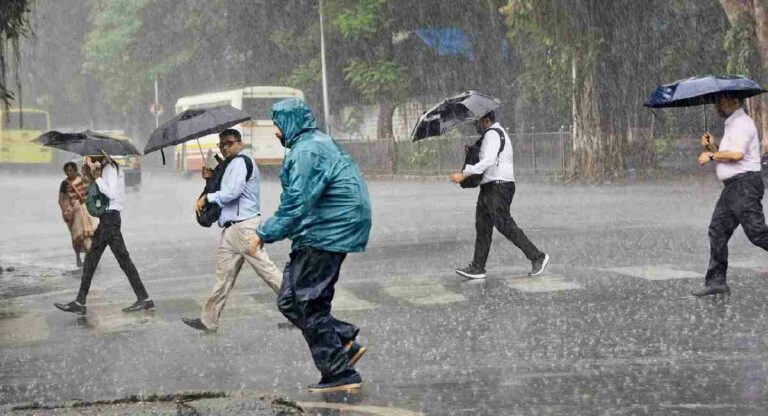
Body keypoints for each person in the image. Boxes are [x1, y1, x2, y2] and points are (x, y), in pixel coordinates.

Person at [250, 98, 371, 393]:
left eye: (278, 126)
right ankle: (343, 341)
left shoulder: (306, 151)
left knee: (309, 303)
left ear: (290, 123)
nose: (276, 133)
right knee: (289, 301)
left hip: (327, 232)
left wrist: (265, 232)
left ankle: (339, 373)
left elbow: (297, 203)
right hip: (319, 231)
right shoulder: (311, 144)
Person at [181, 129, 283, 332]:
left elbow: (232, 192)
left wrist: (207, 197)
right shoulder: (231, 164)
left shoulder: (240, 161)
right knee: (224, 277)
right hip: (231, 230)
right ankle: (208, 320)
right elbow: (225, 187)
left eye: (229, 143)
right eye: (221, 144)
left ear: (240, 143)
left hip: (244, 228)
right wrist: (211, 178)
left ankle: (305, 311)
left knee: (268, 272)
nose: (225, 147)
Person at [449, 111, 549, 279]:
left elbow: (488, 161)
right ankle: (478, 267)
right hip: (489, 186)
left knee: (504, 225)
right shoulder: (493, 134)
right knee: (482, 227)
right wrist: (473, 152)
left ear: (486, 120)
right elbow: (488, 158)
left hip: (499, 186)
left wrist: (464, 174)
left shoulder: (492, 134)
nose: (476, 126)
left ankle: (537, 256)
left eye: (478, 122)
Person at [54, 154, 153, 315]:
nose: (90, 159)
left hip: (110, 220)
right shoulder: (105, 168)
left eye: (92, 156)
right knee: (92, 260)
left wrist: (96, 178)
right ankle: (80, 302)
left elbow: (111, 194)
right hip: (106, 220)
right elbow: (98, 193)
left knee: (123, 260)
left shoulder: (111, 168)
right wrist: (91, 177)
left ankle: (144, 298)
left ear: (100, 154)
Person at [692, 94, 768, 297]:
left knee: (757, 233)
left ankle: (716, 279)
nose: (717, 105)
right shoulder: (732, 124)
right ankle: (717, 281)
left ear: (734, 101)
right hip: (733, 188)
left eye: (721, 101)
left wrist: (710, 155)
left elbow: (737, 155)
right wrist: (712, 147)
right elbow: (728, 157)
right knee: (717, 229)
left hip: (745, 185)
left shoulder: (742, 123)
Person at [58, 161, 95, 267]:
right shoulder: (64, 184)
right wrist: (65, 211)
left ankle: (89, 256)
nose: (68, 173)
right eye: (66, 171)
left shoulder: (82, 179)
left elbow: (90, 191)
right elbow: (61, 200)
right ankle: (78, 258)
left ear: (75, 171)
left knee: (88, 234)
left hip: (85, 210)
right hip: (72, 213)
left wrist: (85, 198)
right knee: (76, 236)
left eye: (70, 171)